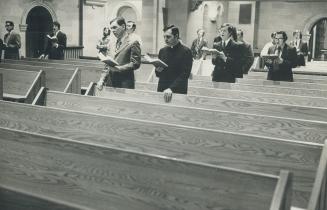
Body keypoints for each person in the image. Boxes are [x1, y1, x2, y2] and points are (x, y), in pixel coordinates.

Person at [97, 17, 141, 90]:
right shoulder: (112, 43)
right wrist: (101, 80)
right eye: (111, 28)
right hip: (110, 82)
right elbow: (107, 64)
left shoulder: (133, 42)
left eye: (115, 27)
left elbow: (135, 63)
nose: (113, 31)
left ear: (123, 26)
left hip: (125, 82)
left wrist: (120, 68)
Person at [155, 25, 193, 102]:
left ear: (176, 36)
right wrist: (157, 70)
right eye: (164, 37)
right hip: (162, 88)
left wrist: (171, 88)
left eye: (168, 37)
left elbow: (185, 74)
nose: (165, 39)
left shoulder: (186, 51)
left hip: (178, 90)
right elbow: (158, 74)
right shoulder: (162, 51)